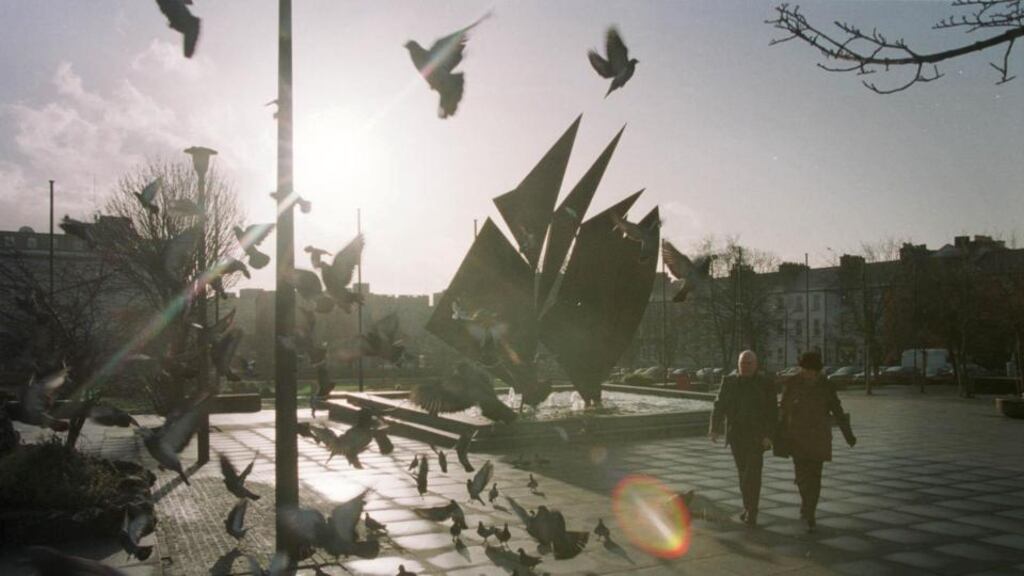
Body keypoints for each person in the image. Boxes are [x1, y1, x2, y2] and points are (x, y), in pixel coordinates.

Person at [776, 351, 857, 531]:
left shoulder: (826, 386)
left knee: (815, 476)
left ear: (817, 371)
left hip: (818, 438)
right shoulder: (792, 383)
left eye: (811, 371)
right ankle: (807, 506)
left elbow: (837, 410)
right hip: (797, 438)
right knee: (802, 477)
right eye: (804, 370)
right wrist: (778, 435)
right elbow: (783, 409)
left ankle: (809, 512)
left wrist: (848, 435)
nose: (807, 374)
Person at [709, 350, 777, 527]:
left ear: (756, 365)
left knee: (752, 474)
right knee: (742, 473)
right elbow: (719, 405)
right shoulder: (729, 382)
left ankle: (752, 510)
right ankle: (748, 507)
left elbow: (772, 412)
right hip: (736, 436)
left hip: (757, 437)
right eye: (742, 364)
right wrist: (714, 429)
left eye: (749, 364)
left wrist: (769, 436)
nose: (745, 367)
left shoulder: (765, 383)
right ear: (738, 365)